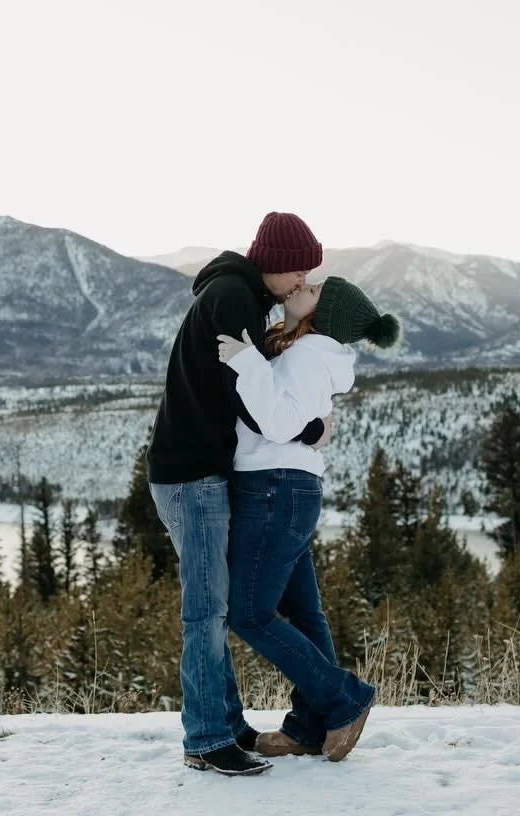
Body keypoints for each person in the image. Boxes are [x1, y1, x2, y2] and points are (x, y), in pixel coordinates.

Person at [147, 212, 329, 776]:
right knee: (206, 610)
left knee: (215, 604)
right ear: (273, 264)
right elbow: (250, 396)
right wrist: (311, 428)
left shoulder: (238, 294)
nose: (302, 279)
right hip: (192, 473)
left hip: (198, 470)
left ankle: (224, 725)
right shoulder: (233, 298)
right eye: (297, 267)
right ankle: (205, 739)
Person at [216, 276, 401, 762]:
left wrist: (245, 359)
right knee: (303, 613)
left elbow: (278, 422)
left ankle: (343, 698)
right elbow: (293, 420)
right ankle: (309, 726)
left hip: (275, 487)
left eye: (315, 289)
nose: (304, 285)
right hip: (290, 489)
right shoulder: (304, 349)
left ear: (322, 315)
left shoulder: (307, 353)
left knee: (249, 613)